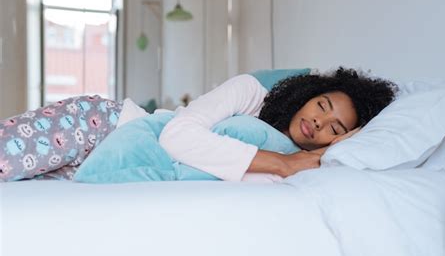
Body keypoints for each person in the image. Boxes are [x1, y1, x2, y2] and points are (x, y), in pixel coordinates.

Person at [0, 66, 397, 182]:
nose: (318, 121)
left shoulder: (293, 154)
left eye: (336, 128)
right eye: (322, 105)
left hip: (110, 169)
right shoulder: (249, 92)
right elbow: (178, 135)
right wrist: (281, 163)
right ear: (309, 93)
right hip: (102, 126)